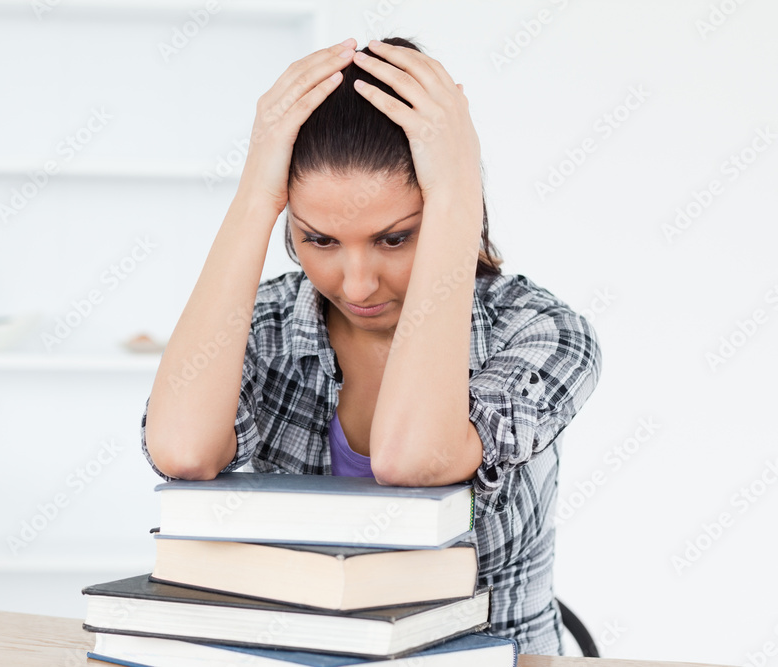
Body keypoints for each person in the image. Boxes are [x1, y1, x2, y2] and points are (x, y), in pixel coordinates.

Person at [141, 36, 602, 655]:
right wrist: (255, 193)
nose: (355, 284)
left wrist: (458, 190)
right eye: (320, 240)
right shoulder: (267, 323)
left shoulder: (542, 332)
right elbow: (183, 450)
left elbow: (413, 460)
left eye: (395, 238)